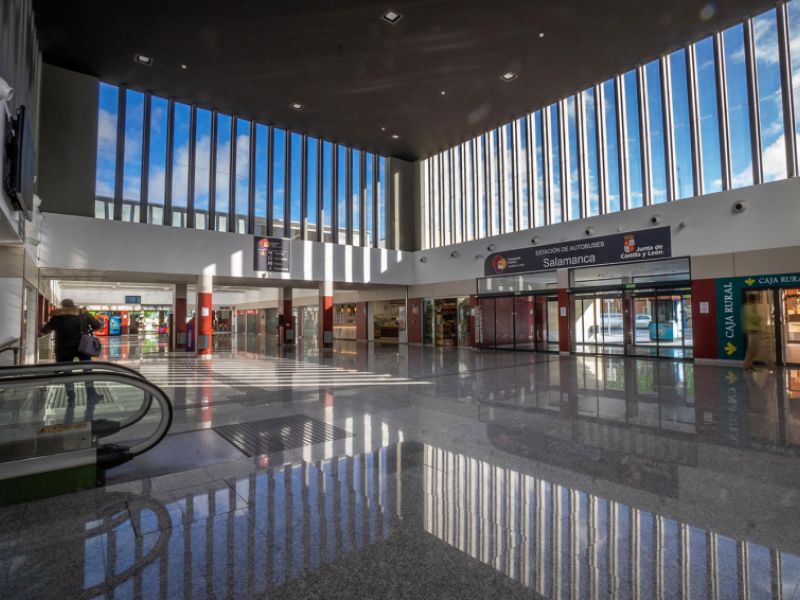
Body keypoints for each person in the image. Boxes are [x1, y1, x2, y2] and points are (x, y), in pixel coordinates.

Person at [41, 299, 104, 408]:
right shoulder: (83, 313)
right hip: (83, 346)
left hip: (63, 348)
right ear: (73, 304)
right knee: (87, 371)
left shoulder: (56, 316)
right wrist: (98, 323)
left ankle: (71, 398)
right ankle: (91, 395)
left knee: (67, 373)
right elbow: (97, 326)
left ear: (62, 306)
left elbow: (44, 330)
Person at [742, 292, 775, 371]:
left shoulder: (747, 307)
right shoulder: (750, 307)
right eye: (756, 299)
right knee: (762, 349)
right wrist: (760, 317)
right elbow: (752, 318)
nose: (757, 301)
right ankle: (771, 366)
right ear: (753, 300)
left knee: (752, 350)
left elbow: (745, 320)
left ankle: (747, 365)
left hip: (753, 331)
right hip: (754, 331)